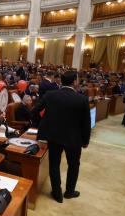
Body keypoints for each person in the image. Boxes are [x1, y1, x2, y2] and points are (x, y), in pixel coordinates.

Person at [33, 71, 91, 203]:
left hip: (54, 137)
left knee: (54, 164)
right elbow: (85, 123)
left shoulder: (50, 95)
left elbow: (35, 111)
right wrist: (85, 140)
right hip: (74, 139)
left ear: (61, 81)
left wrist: (43, 124)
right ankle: (70, 192)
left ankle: (57, 193)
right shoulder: (82, 99)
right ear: (75, 82)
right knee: (73, 165)